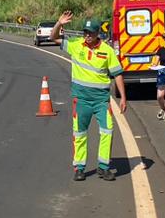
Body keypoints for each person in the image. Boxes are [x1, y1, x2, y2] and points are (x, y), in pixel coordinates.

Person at [51, 9, 127, 180]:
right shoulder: (76, 45)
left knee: (107, 131)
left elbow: (118, 74)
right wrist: (59, 24)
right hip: (82, 99)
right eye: (85, 33)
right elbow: (53, 38)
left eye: (90, 33)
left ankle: (103, 166)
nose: (87, 36)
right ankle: (79, 168)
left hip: (101, 100)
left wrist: (123, 97)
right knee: (79, 134)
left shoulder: (107, 51)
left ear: (97, 33)